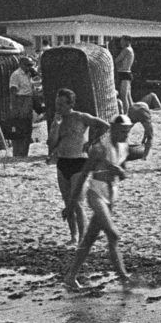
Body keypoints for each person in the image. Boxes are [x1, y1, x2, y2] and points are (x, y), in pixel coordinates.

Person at [64, 116, 133, 289]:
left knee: (89, 239)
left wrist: (119, 172)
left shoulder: (124, 146)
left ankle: (71, 277)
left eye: (128, 131)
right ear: (113, 129)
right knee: (113, 234)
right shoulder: (99, 148)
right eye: (122, 131)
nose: (125, 135)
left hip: (111, 194)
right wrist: (71, 204)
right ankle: (124, 277)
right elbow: (84, 176)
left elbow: (124, 174)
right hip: (96, 193)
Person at [46, 89, 106, 242]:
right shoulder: (57, 121)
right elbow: (51, 144)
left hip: (79, 162)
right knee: (67, 202)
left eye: (61, 105)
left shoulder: (80, 117)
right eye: (56, 104)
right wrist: (55, 126)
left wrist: (91, 141)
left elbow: (104, 126)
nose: (58, 108)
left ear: (70, 104)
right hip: (63, 163)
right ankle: (74, 236)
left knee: (77, 203)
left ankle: (82, 238)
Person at [7, 57, 37, 155]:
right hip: (20, 100)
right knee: (19, 126)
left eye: (31, 65)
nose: (30, 67)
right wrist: (14, 108)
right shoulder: (16, 75)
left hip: (28, 99)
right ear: (21, 65)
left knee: (27, 127)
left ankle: (24, 152)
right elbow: (13, 92)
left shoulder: (28, 75)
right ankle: (17, 152)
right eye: (28, 65)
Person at [113, 36, 135, 111]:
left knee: (123, 96)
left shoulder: (126, 50)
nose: (121, 43)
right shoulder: (130, 50)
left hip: (124, 74)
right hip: (126, 73)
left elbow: (116, 60)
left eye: (122, 41)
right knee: (128, 96)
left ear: (127, 41)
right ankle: (133, 111)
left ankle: (126, 113)